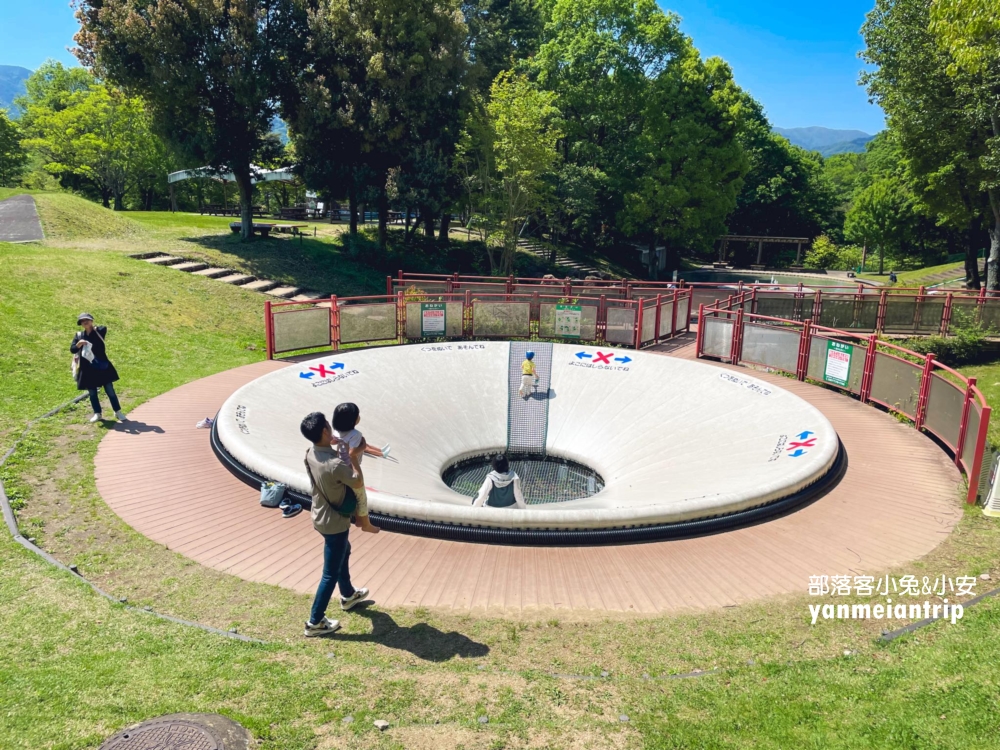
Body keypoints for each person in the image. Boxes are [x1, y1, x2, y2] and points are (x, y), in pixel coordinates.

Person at [300, 411, 370, 637]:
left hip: (319, 514)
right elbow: (357, 481)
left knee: (343, 551)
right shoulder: (334, 464)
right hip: (335, 522)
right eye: (328, 426)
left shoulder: (311, 452)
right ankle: (315, 622)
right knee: (329, 573)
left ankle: (348, 595)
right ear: (324, 431)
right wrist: (356, 455)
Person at [331, 402, 388, 534]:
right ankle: (366, 524)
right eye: (358, 415)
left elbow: (332, 441)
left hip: (339, 466)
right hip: (351, 469)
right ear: (353, 420)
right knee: (361, 497)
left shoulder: (336, 431)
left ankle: (357, 519)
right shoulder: (355, 434)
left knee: (352, 494)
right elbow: (353, 453)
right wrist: (362, 447)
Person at [71, 313, 127, 423]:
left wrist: (93, 328)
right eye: (82, 321)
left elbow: (103, 328)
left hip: (102, 366)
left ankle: (117, 411)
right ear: (80, 324)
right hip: (87, 369)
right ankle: (97, 413)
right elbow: (72, 349)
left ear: (91, 320)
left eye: (87, 320)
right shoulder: (79, 335)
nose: (85, 322)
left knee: (110, 390)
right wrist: (78, 344)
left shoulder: (99, 331)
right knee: (92, 393)